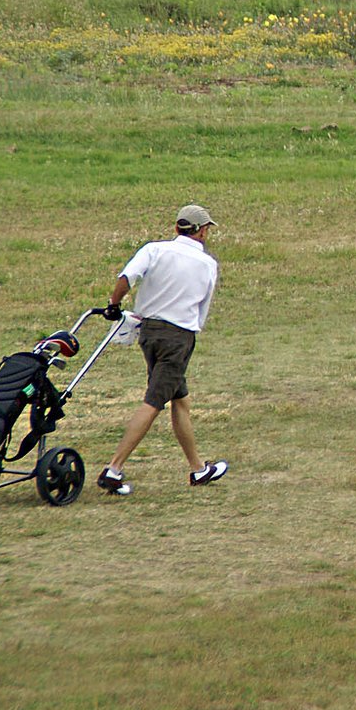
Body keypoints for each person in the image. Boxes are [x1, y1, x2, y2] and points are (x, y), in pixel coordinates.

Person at [97, 204, 228, 495]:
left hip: (149, 333)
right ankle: (113, 468)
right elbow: (201, 311)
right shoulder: (207, 265)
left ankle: (198, 469)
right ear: (202, 231)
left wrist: (114, 306)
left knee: (180, 399)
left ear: (177, 228)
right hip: (178, 338)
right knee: (155, 401)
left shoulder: (154, 249)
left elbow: (126, 279)